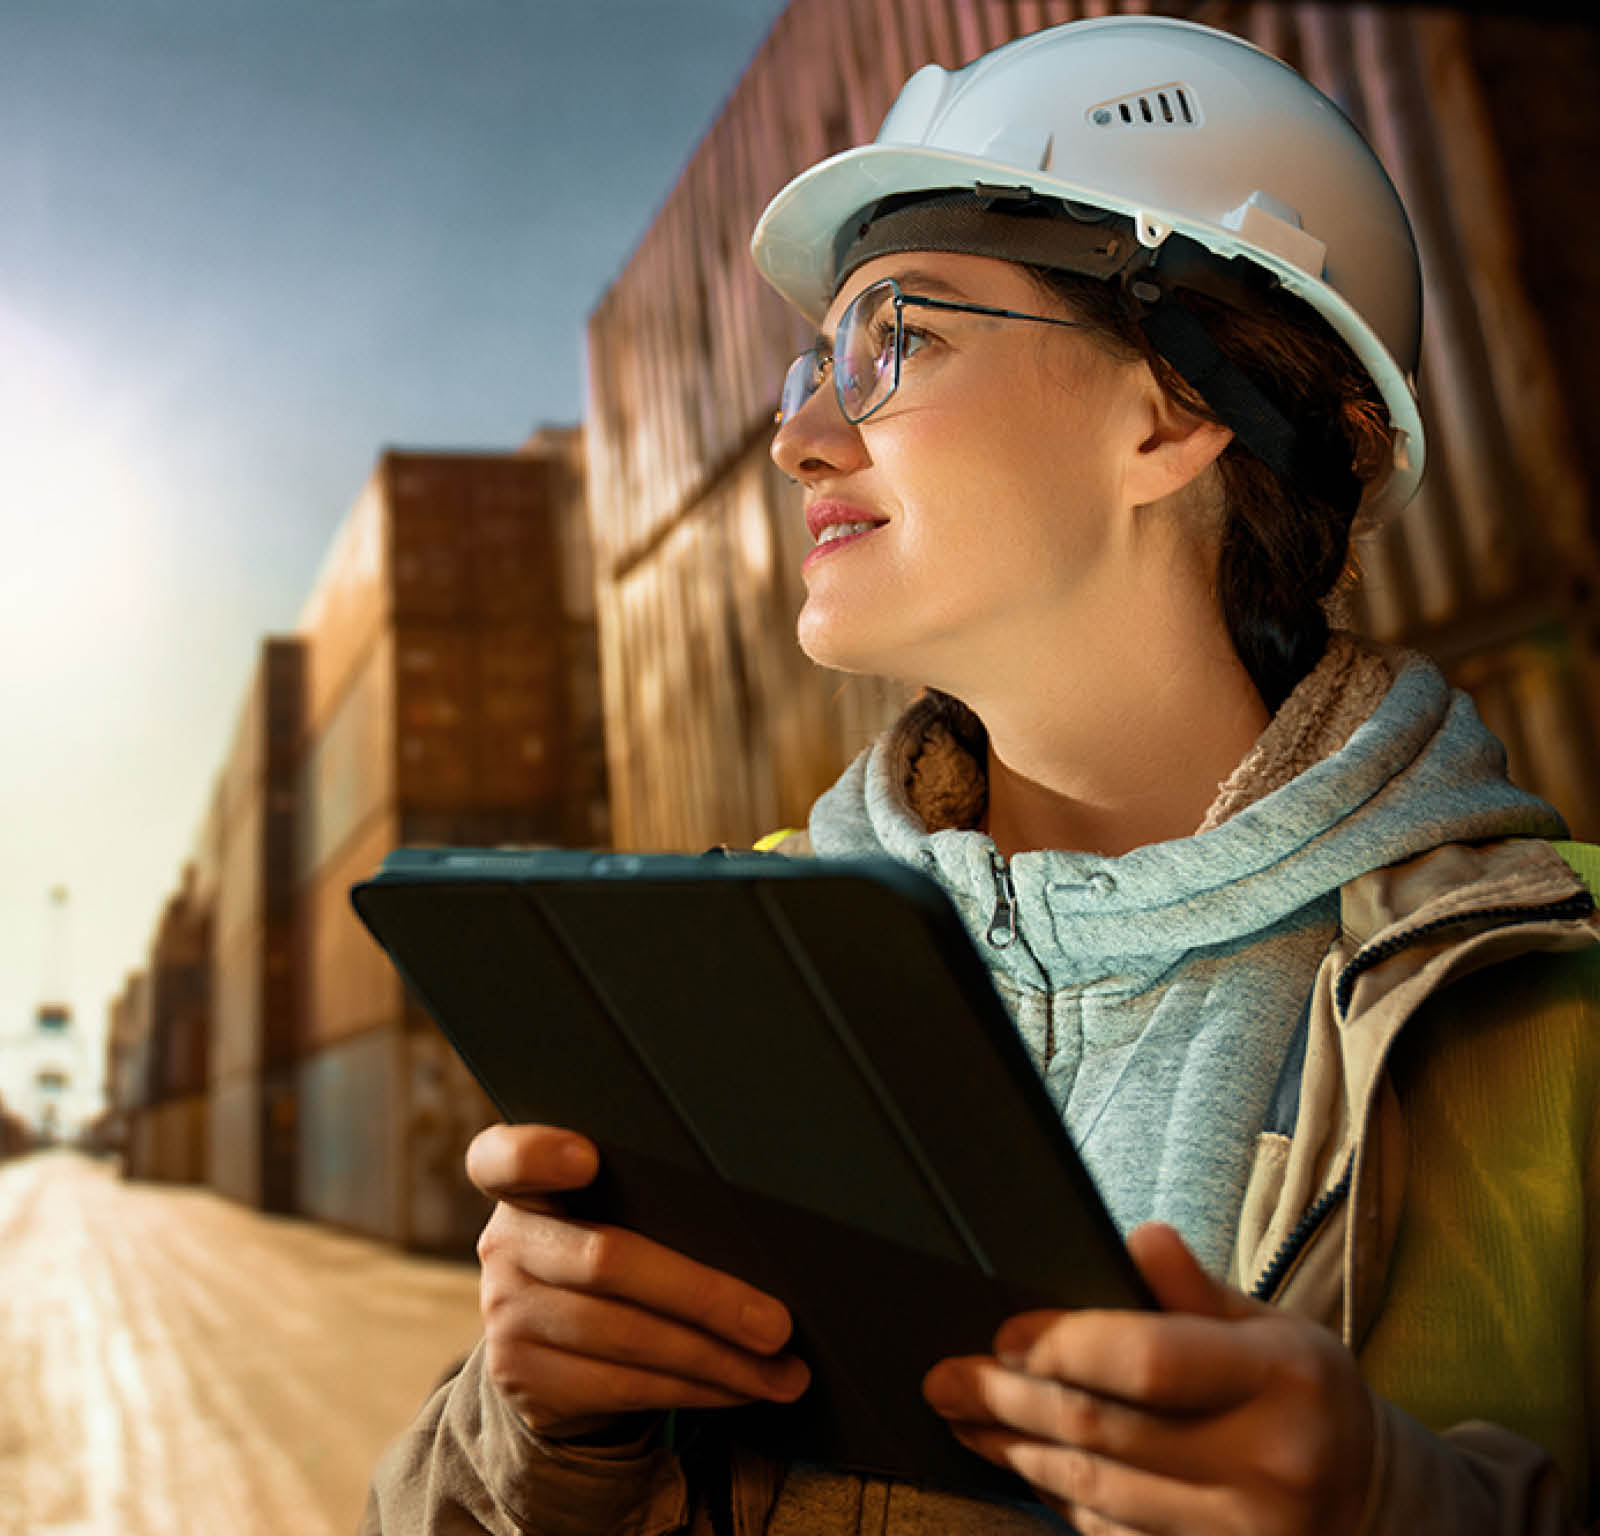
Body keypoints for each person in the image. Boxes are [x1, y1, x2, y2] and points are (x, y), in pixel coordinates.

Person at [361, 15, 1600, 1535]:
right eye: (810, 368)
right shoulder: (740, 964)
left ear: (1175, 410)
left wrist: (1395, 1510)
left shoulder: (1558, 994)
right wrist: (538, 1439)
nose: (800, 439)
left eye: (895, 341)